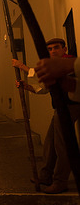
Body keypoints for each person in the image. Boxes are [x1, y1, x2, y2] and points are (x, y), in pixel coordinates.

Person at [13, 38, 80, 193]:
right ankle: (46, 176)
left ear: (64, 49)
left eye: (56, 48)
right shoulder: (55, 66)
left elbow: (47, 76)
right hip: (60, 108)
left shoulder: (69, 62)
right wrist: (27, 87)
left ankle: (60, 181)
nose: (53, 51)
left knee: (62, 146)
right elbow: (46, 88)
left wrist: (22, 66)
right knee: (50, 143)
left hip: (70, 107)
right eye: (49, 49)